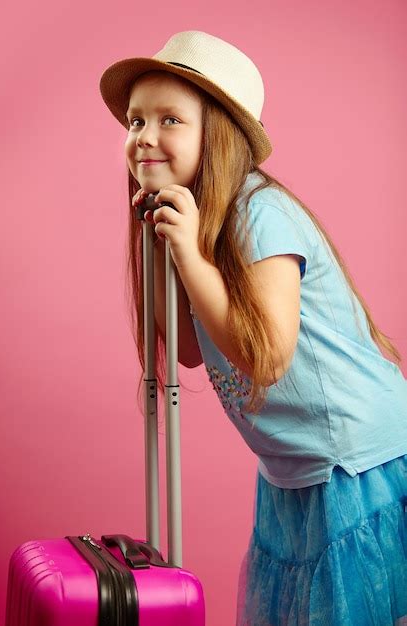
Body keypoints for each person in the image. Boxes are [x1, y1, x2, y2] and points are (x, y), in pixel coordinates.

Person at [99, 30, 407, 625]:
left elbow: (266, 359)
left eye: (170, 120)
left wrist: (189, 254)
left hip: (356, 460)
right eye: (137, 122)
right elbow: (190, 351)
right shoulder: (199, 220)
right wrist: (164, 250)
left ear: (218, 135)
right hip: (294, 468)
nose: (145, 137)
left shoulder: (258, 212)